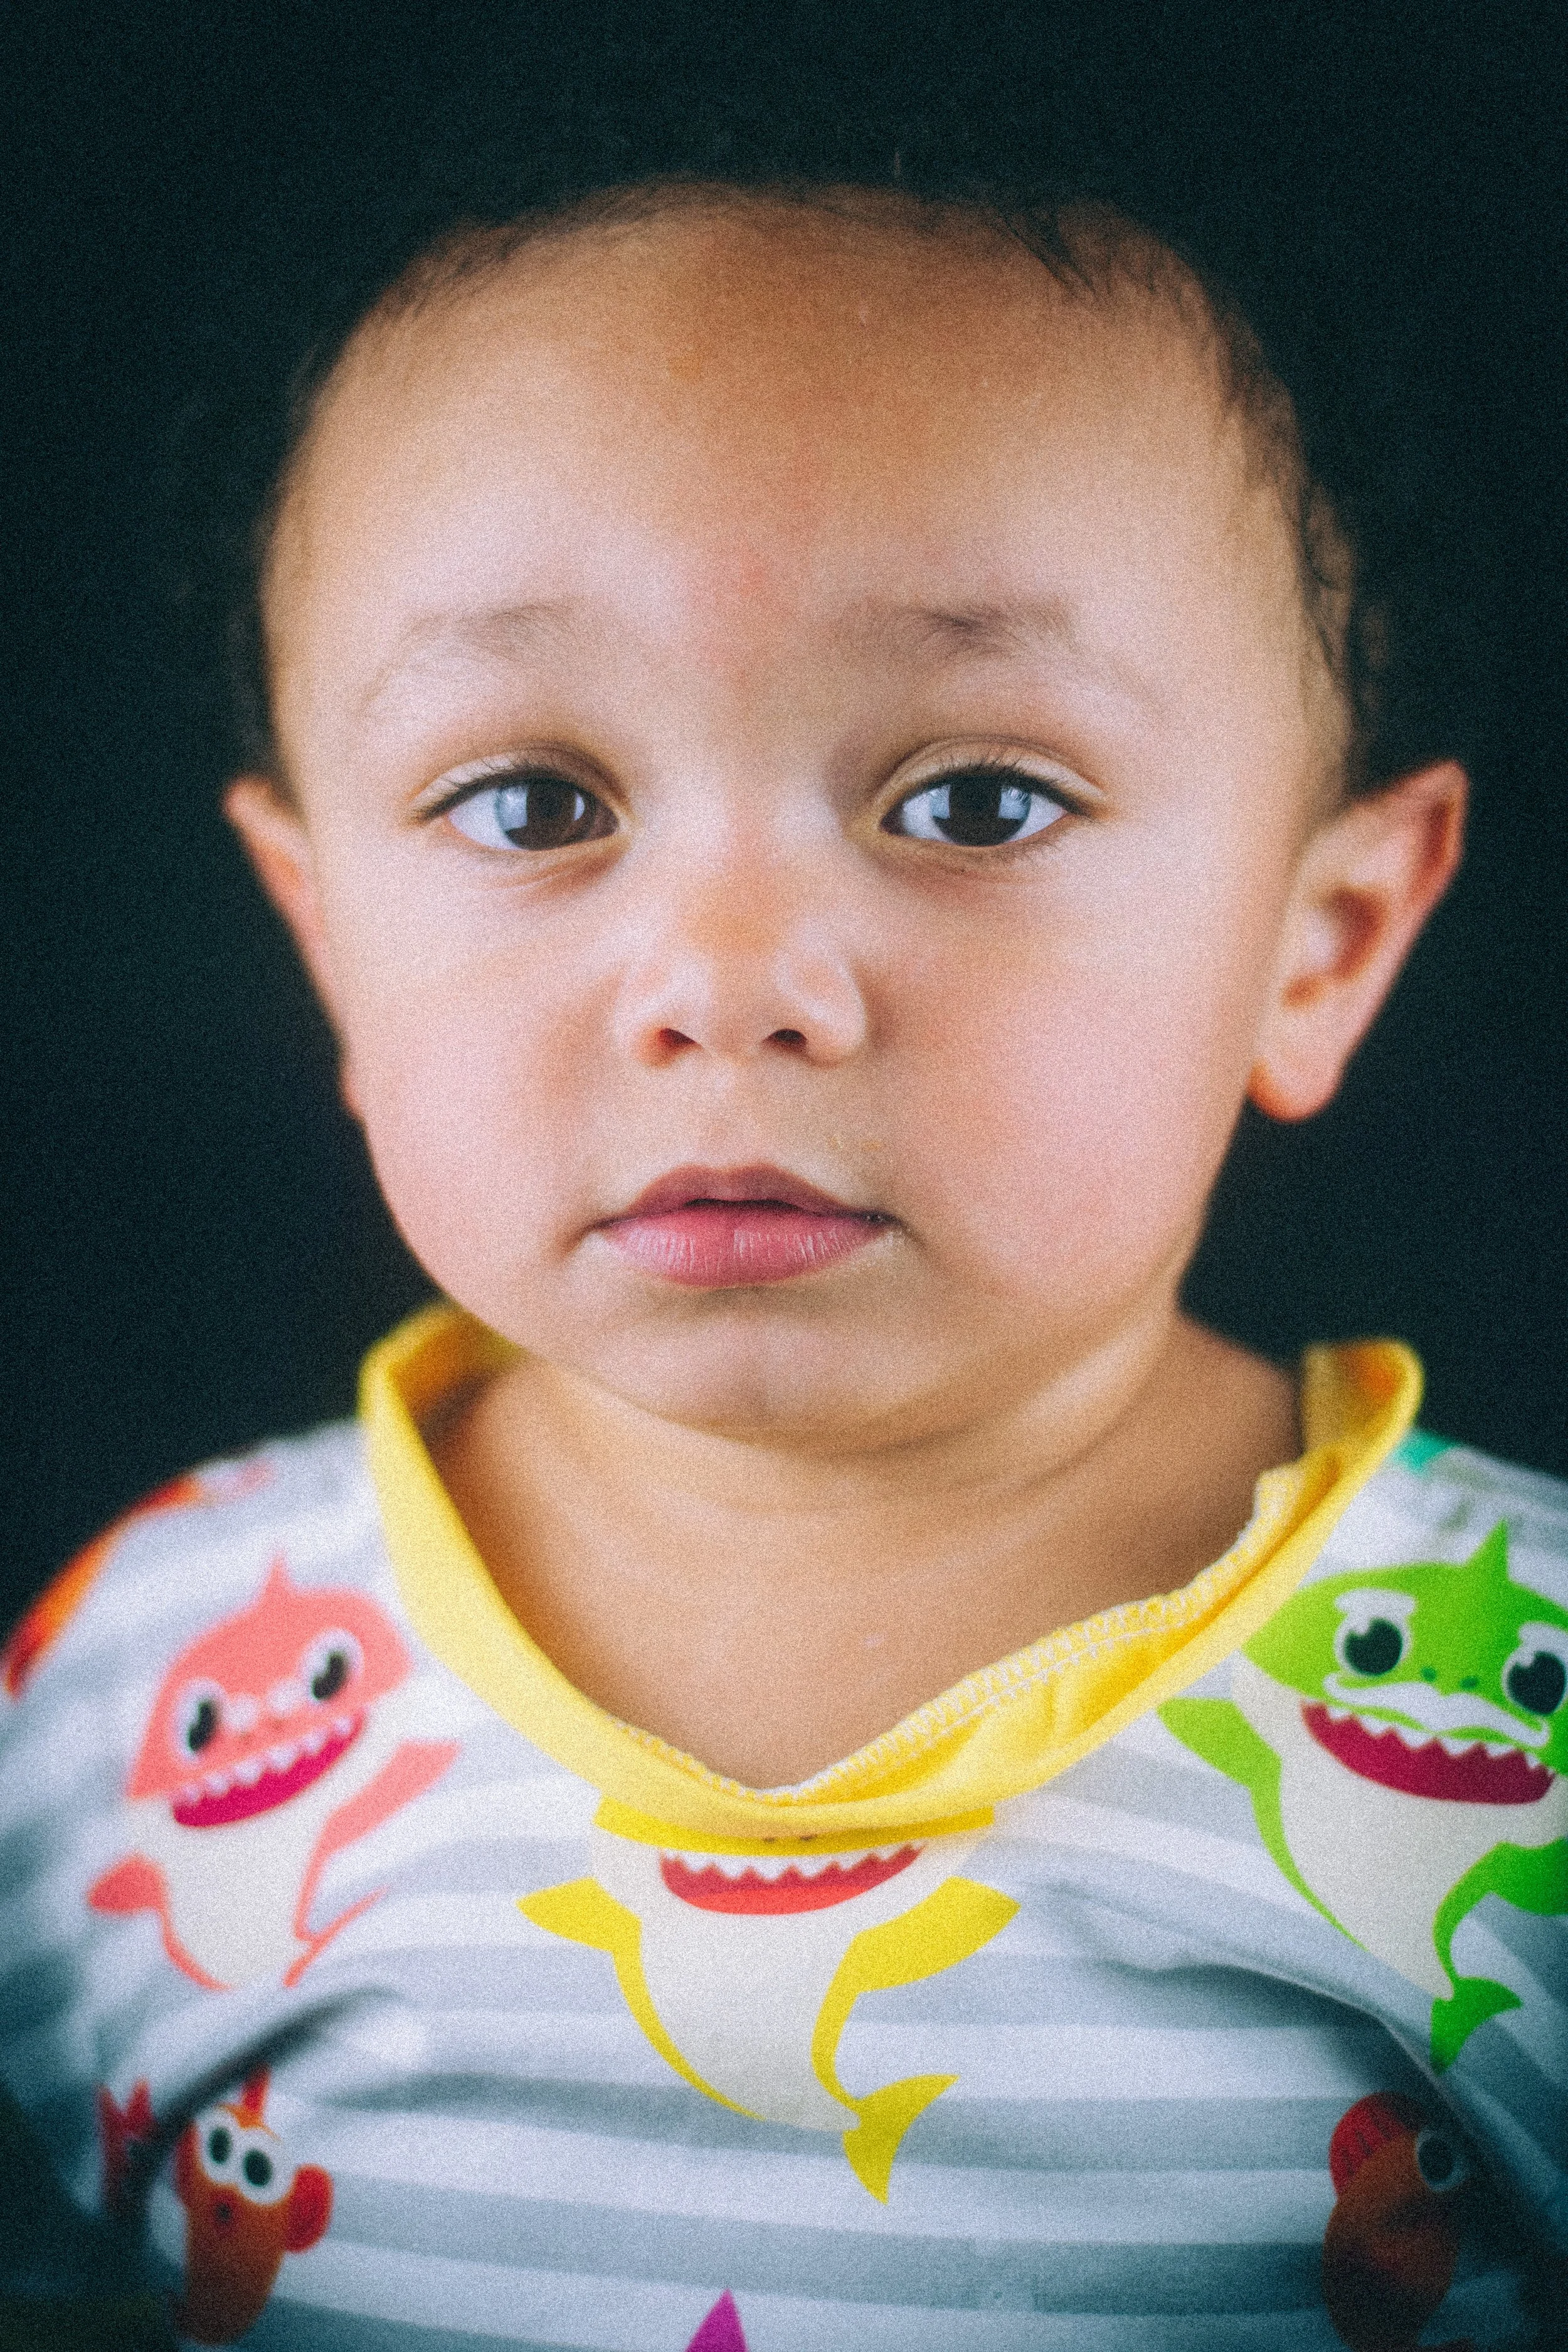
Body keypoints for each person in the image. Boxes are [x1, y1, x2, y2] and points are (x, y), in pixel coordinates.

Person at [1, 135, 1563, 2352]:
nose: (731, 982)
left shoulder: (1522, 1730)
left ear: (1318, 943)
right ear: (329, 942)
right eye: (536, 802)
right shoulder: (141, 1682)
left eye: (976, 801)